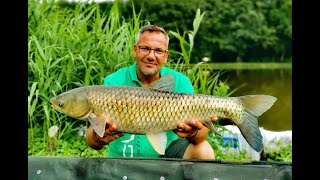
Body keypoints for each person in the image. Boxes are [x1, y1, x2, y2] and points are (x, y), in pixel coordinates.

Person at [86, 25, 217, 159]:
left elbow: (201, 136)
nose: (151, 56)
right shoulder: (114, 82)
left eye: (158, 51)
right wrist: (99, 137)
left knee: (203, 150)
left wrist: (192, 133)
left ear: (166, 56)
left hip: (168, 155)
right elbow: (91, 139)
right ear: (135, 50)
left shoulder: (180, 81)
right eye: (145, 48)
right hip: (122, 159)